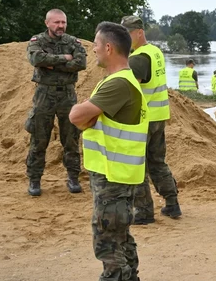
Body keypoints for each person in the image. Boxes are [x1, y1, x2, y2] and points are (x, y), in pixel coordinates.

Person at [69, 21, 148, 281]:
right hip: (117, 173)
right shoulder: (118, 81)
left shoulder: (119, 84)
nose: (93, 50)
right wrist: (89, 115)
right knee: (120, 236)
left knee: (107, 240)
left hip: (113, 175)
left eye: (96, 45)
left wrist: (86, 113)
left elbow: (76, 116)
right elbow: (86, 118)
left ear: (109, 47)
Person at [121, 16, 181, 223]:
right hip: (158, 117)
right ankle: (172, 204)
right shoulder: (155, 52)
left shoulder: (138, 58)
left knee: (137, 165)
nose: (125, 40)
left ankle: (144, 212)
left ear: (139, 32)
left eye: (127, 34)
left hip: (142, 119)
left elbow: (130, 89)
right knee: (157, 162)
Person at [25, 8, 87, 196]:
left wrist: (51, 64)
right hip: (44, 94)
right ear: (47, 23)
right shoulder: (37, 41)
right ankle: (34, 180)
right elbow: (36, 58)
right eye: (56, 22)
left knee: (71, 139)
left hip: (68, 95)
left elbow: (81, 62)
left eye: (63, 22)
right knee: (39, 138)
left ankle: (73, 178)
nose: (60, 26)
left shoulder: (72, 42)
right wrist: (64, 59)